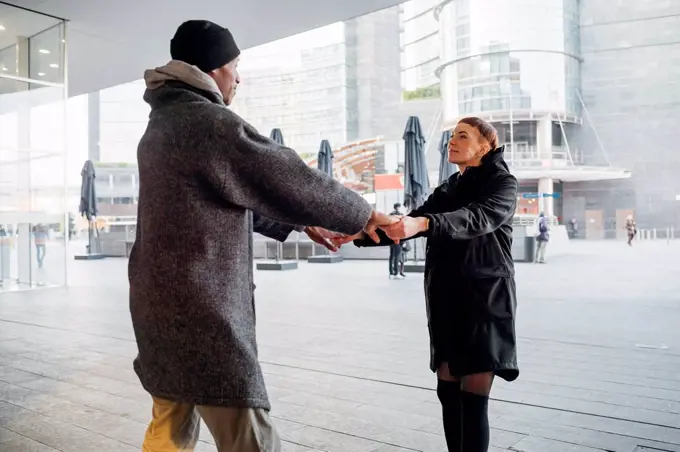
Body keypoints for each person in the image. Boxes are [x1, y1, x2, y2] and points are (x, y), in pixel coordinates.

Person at [129, 20, 395, 452]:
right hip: (202, 311)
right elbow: (285, 174)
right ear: (215, 69)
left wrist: (297, 223)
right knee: (250, 437)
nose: (239, 77)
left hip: (159, 309)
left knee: (169, 429)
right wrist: (364, 214)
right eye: (235, 65)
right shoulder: (210, 123)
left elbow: (210, 203)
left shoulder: (160, 125)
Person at [334, 117, 519, 452]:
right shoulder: (449, 187)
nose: (453, 141)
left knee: (473, 398)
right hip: (447, 298)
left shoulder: (502, 183)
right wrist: (359, 233)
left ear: (486, 145)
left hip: (485, 299)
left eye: (463, 136)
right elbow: (407, 223)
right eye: (452, 136)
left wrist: (424, 222)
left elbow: (477, 218)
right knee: (447, 392)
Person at [388, 203, 406, 279]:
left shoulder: (390, 215)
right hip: (397, 238)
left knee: (392, 256)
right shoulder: (400, 215)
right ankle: (395, 272)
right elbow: (402, 228)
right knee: (396, 256)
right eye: (398, 207)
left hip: (391, 238)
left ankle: (392, 272)